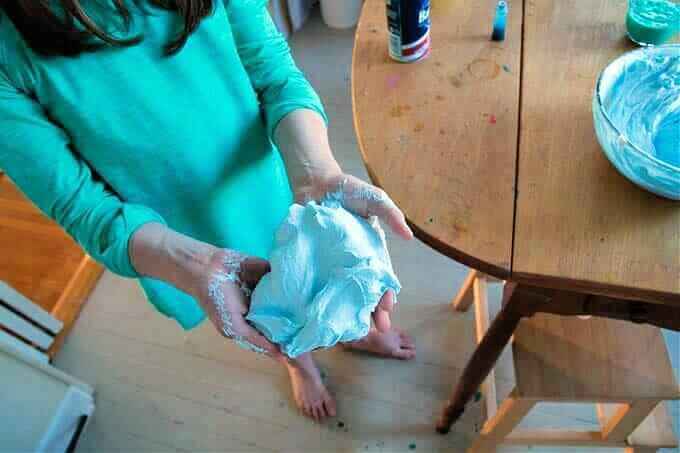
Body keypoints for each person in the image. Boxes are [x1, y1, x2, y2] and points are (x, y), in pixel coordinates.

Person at [0, 0, 416, 421]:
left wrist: (317, 173)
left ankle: (354, 331)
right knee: (263, 312)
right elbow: (81, 206)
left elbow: (273, 73)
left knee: (320, 270)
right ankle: (299, 362)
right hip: (175, 231)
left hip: (261, 177)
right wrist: (193, 264)